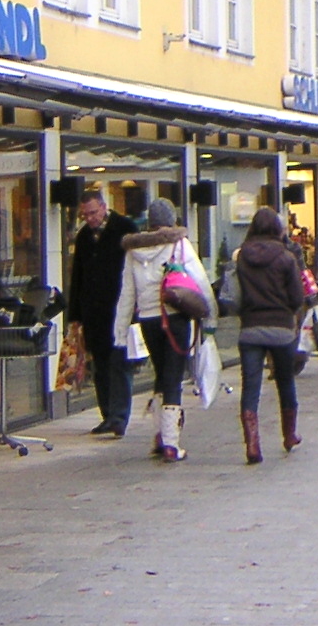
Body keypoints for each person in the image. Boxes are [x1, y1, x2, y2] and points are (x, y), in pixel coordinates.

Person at [112, 198, 216, 462]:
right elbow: (201, 281)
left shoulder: (133, 250)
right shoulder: (179, 244)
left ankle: (160, 435)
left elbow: (127, 294)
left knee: (161, 374)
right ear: (171, 221)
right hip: (174, 318)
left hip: (148, 320)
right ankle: (171, 443)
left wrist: (120, 331)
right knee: (172, 377)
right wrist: (211, 313)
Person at [233, 207, 304, 463]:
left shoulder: (242, 257)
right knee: (285, 381)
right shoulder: (286, 258)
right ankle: (289, 435)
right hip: (281, 330)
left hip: (250, 328)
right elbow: (297, 297)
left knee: (251, 386)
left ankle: (252, 445)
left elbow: (236, 295)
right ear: (277, 228)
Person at [66, 191, 137, 438]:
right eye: (85, 215)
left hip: (119, 309)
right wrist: (75, 313)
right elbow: (78, 276)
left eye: (93, 213)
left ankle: (119, 417)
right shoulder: (84, 235)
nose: (90, 218)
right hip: (93, 311)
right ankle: (107, 414)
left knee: (119, 363)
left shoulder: (125, 228)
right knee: (100, 366)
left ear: (104, 207)